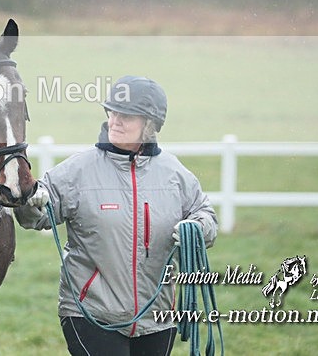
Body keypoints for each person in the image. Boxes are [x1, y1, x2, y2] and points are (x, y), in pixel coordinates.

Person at [15, 75, 218, 356]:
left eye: (127, 116)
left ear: (150, 125)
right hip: (90, 313)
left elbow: (205, 215)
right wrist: (30, 201)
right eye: (113, 112)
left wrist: (197, 227)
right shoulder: (77, 170)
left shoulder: (175, 174)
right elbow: (32, 218)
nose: (115, 121)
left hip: (158, 317)